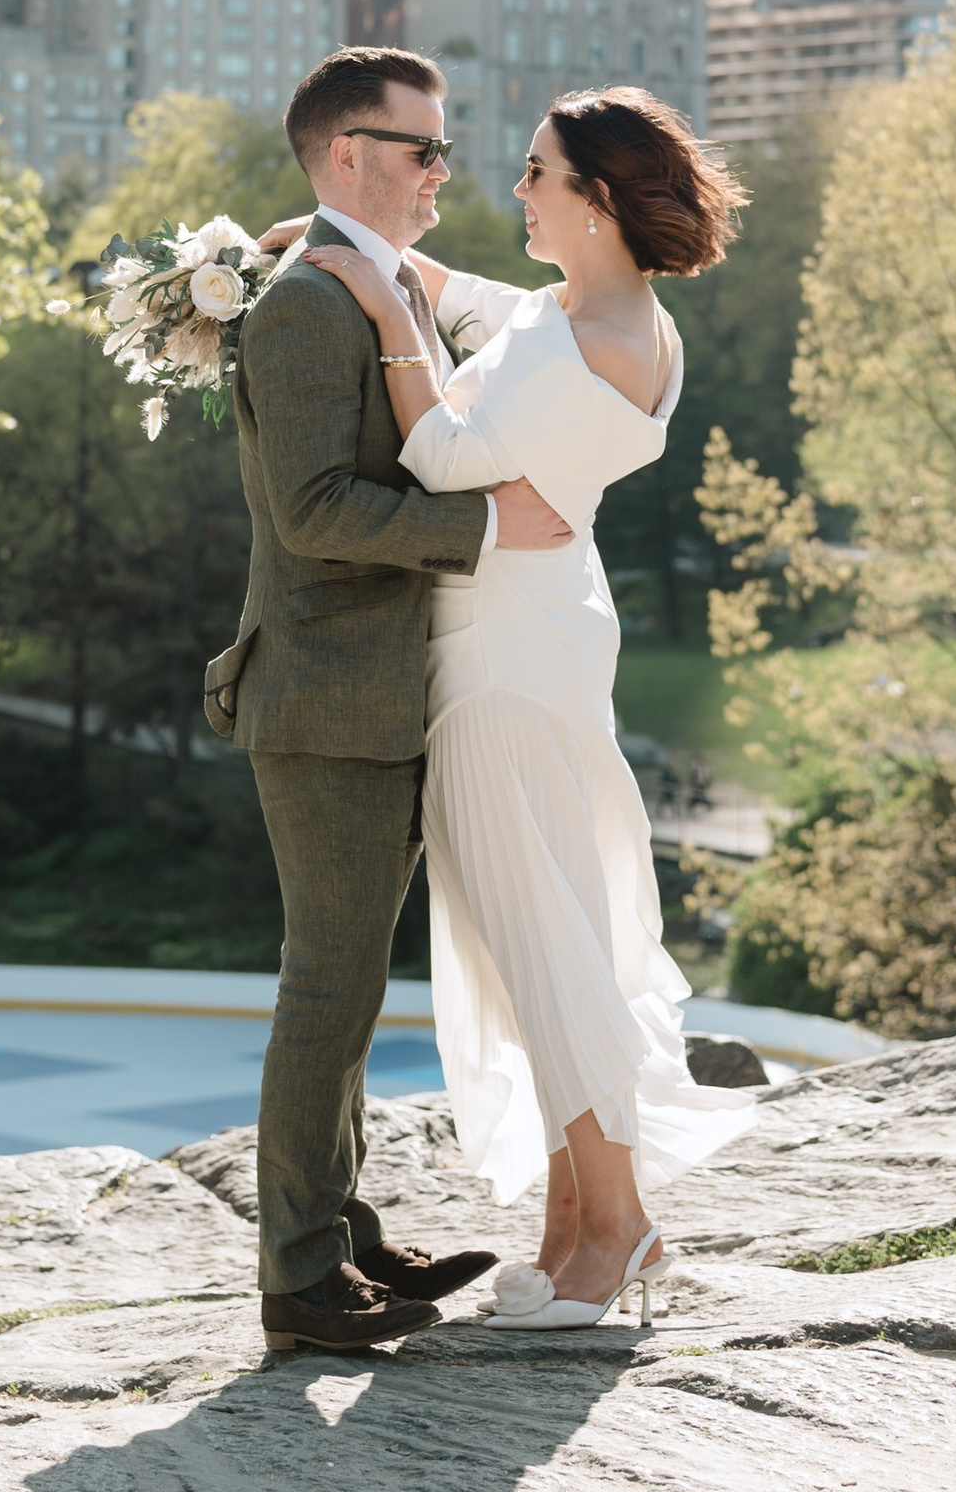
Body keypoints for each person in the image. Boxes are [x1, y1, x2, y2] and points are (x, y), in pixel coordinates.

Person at [299, 85, 758, 1329]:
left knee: (544, 945)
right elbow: (483, 313)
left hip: (503, 653)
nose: (517, 189)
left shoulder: (589, 342)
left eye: (540, 173)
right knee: (534, 937)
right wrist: (348, 254)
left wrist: (386, 315)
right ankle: (570, 1230)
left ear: (596, 202)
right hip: (535, 625)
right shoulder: (605, 316)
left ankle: (616, 1230)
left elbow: (441, 457)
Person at [206, 45, 576, 1358]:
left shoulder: (359, 282)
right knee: (329, 984)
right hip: (327, 697)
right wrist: (487, 528)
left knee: (351, 984)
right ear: (348, 154)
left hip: (383, 694)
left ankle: (342, 1233)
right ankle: (300, 1281)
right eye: (421, 150)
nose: (441, 171)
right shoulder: (309, 306)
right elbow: (312, 514)